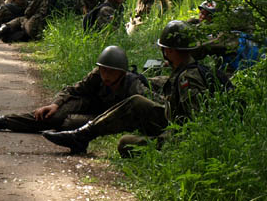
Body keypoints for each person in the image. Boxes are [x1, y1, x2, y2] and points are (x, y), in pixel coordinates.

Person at [42, 20, 210, 157]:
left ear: (170, 51)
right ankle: (81, 135)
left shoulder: (187, 78)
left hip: (177, 137)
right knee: (136, 104)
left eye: (164, 50)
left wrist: (164, 139)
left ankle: (81, 135)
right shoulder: (182, 72)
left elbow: (193, 125)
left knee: (126, 143)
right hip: (171, 124)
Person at [0, 46, 147, 133]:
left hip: (110, 116)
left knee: (70, 124)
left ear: (121, 73)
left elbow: (147, 112)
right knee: (51, 116)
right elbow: (72, 90)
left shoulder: (134, 86)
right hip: (90, 105)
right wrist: (55, 104)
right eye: (103, 70)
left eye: (110, 72)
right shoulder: (97, 75)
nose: (105, 75)